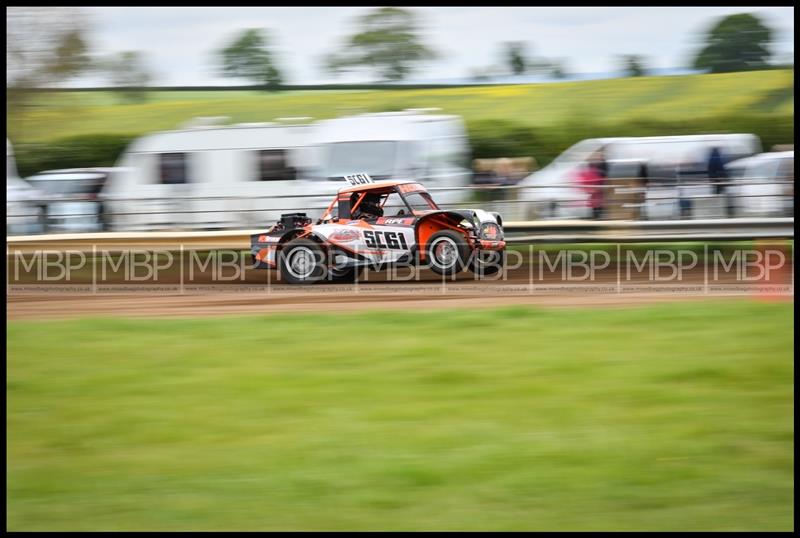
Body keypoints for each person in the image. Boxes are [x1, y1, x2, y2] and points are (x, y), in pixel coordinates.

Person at [707, 146, 731, 217]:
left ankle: (715, 209)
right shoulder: (718, 158)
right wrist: (726, 177)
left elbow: (709, 169)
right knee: (722, 193)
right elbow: (721, 168)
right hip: (720, 179)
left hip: (713, 180)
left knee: (716, 194)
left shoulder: (710, 159)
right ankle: (725, 209)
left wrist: (711, 178)